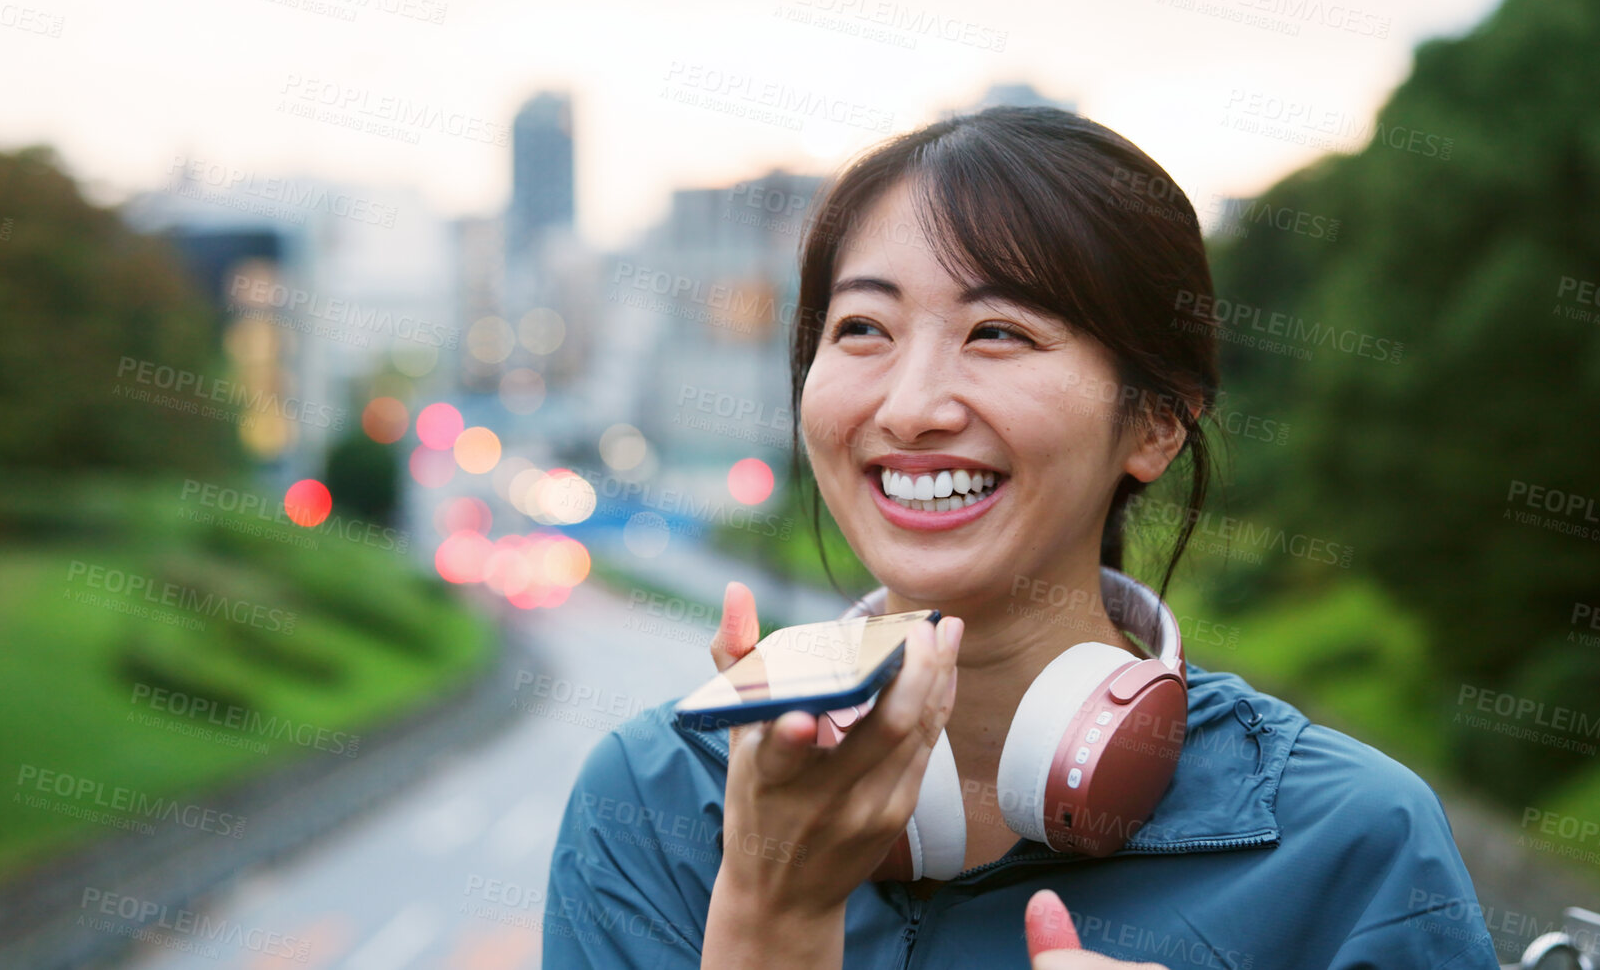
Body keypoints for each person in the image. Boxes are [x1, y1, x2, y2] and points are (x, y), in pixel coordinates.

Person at [544, 106, 1500, 969]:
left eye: (998, 332)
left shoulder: (1350, 843)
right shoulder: (659, 804)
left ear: (1154, 422)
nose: (910, 407)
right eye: (864, 327)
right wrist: (771, 910)